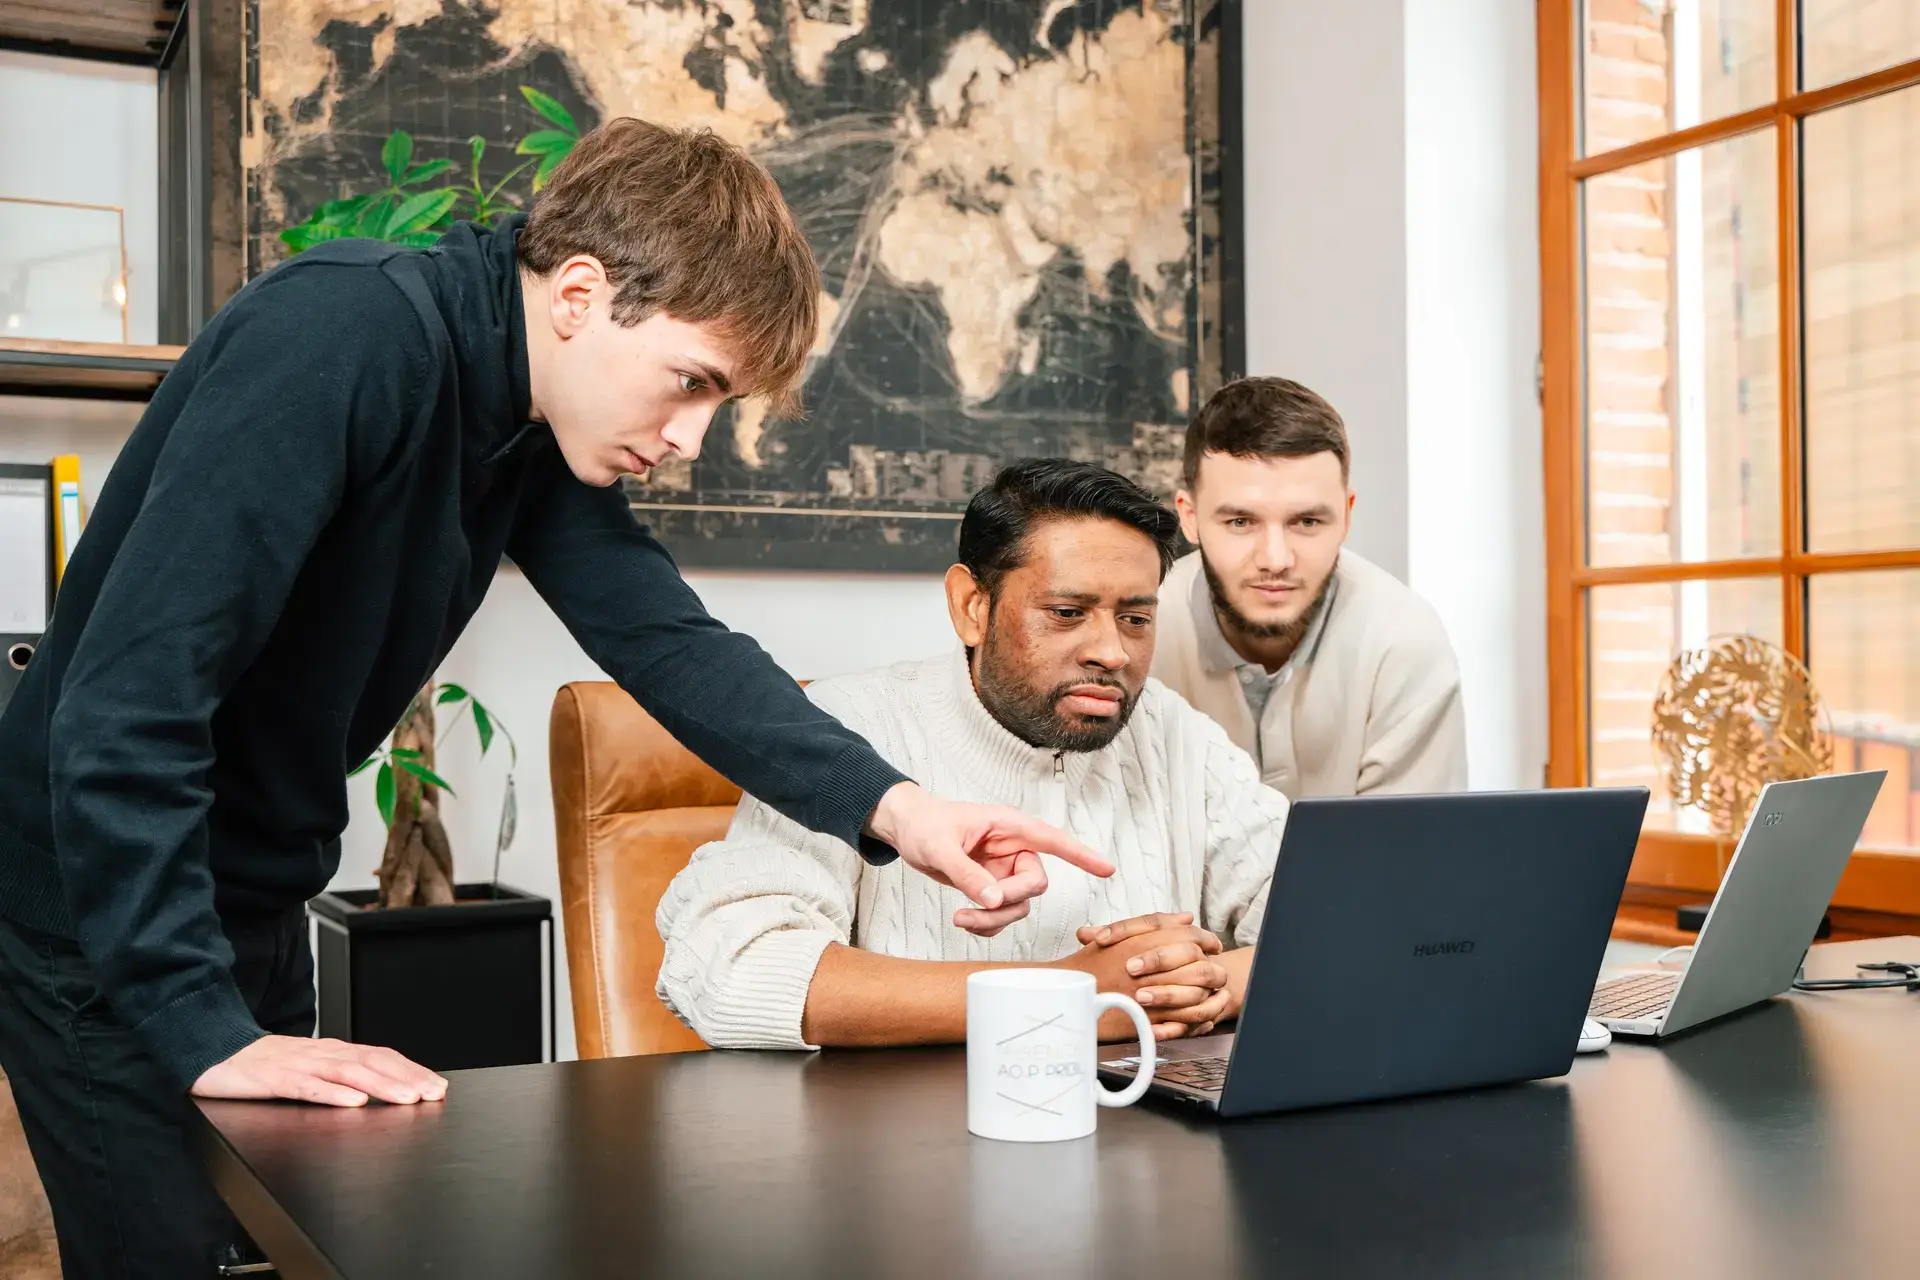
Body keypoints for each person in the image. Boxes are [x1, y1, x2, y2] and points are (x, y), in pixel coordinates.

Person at [0, 119, 1107, 1277]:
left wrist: (901, 809)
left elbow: (668, 642)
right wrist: (198, 1024)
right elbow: (128, 701)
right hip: (98, 898)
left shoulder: (524, 418)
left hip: (254, 896)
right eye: (691, 382)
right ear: (579, 290)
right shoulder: (342, 333)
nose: (688, 436)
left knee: (286, 1249)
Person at [656, 459, 1291, 1050]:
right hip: (904, 1151)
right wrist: (1067, 996)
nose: (1113, 653)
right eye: (1068, 612)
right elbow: (730, 972)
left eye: (1135, 619)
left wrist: (1201, 986)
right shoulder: (847, 726)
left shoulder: (1175, 733)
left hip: (1143, 1145)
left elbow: (1343, 930)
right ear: (971, 607)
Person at [1151, 377, 1467, 799]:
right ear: (1189, 518)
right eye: (1240, 522)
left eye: (1307, 522)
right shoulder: (1136, 631)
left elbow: (1412, 852)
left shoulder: (1403, 640)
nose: (1276, 559)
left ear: (1346, 515)